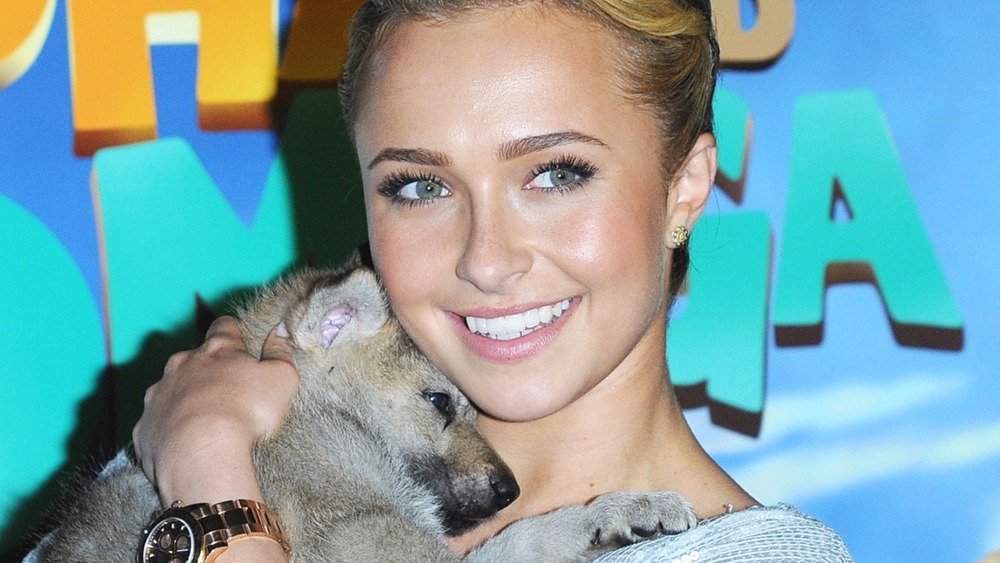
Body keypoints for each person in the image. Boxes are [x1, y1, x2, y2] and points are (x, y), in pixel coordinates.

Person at [133, 0, 853, 560]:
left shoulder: (203, 455)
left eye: (556, 173)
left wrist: (212, 489)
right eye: (419, 186)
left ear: (685, 189)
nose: (486, 257)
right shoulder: (197, 439)